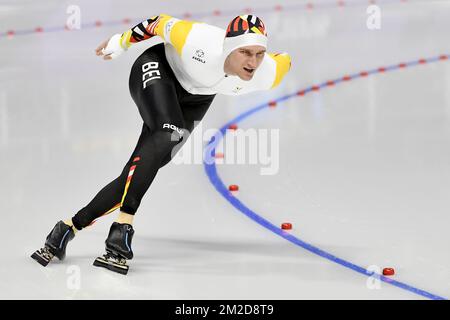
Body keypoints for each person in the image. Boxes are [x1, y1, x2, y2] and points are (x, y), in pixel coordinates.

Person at [31, 14, 291, 274]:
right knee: (168, 132)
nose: (253, 62)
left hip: (197, 97)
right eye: (245, 52)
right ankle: (122, 229)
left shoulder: (266, 73)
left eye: (259, 53)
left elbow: (285, 61)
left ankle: (66, 229)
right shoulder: (196, 40)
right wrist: (122, 42)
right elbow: (158, 22)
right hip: (159, 68)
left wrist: (279, 58)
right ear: (227, 46)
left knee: (150, 163)